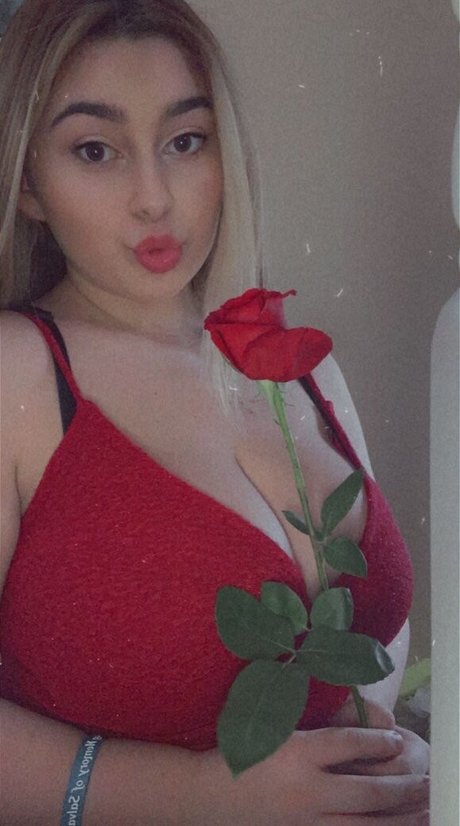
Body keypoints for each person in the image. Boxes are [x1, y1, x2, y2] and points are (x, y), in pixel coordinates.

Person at [0, 0, 429, 823]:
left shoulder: (301, 366)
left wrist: (378, 747)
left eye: (186, 141)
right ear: (28, 185)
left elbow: (378, 624)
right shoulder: (18, 374)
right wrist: (202, 796)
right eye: (95, 150)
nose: (153, 198)